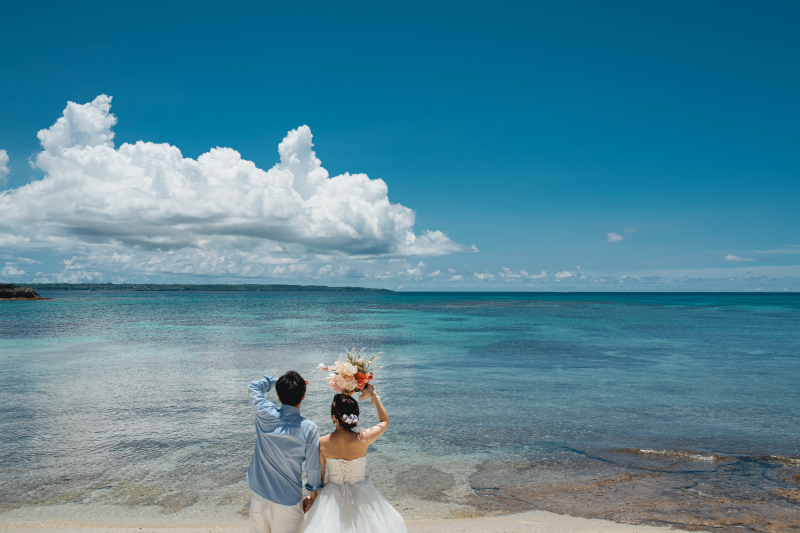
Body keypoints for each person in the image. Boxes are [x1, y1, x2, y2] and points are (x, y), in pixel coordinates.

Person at [302, 383, 406, 533]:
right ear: (354, 417)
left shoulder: (322, 443)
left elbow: (320, 479)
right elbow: (385, 421)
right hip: (362, 492)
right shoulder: (364, 438)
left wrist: (313, 501)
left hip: (332, 495)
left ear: (333, 417)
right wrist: (374, 395)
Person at [247, 371, 324, 533]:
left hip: (260, 498)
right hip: (288, 501)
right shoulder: (309, 428)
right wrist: (312, 497)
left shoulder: (264, 413)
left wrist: (278, 382)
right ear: (303, 396)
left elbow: (253, 386)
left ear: (278, 396)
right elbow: (312, 468)